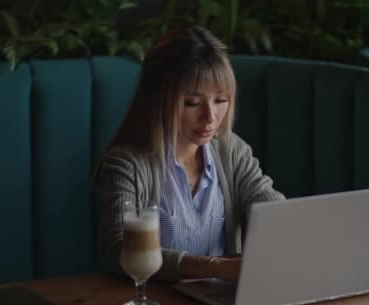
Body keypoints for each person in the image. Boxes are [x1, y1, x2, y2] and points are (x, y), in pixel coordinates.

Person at [94, 25, 284, 283]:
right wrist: (214, 267)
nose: (210, 117)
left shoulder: (231, 150)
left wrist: (294, 229)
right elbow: (119, 249)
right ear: (158, 99)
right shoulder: (126, 164)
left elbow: (272, 208)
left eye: (221, 100)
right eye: (192, 103)